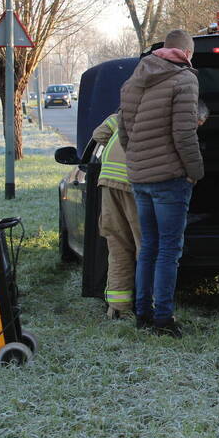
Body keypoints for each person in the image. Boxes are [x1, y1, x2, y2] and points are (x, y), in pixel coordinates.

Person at [118, 29, 204, 337]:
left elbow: (124, 132)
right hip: (170, 179)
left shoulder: (132, 81)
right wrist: (196, 171)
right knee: (169, 249)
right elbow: (184, 135)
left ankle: (143, 314)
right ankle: (164, 319)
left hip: (140, 178)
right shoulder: (185, 80)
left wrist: (140, 163)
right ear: (187, 54)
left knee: (149, 247)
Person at [92, 112, 141, 320]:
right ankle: (151, 305)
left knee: (118, 245)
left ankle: (118, 308)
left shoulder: (122, 113)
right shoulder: (160, 108)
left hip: (109, 180)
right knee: (146, 246)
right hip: (136, 182)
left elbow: (98, 134)